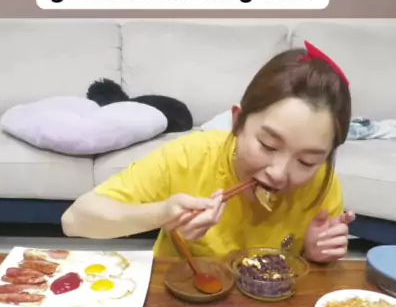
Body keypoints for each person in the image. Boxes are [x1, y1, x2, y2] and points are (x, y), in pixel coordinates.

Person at [62, 42, 355, 262]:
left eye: (306, 161)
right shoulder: (190, 157)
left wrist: (314, 253)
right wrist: (162, 213)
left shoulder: (323, 183)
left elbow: (305, 281)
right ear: (237, 122)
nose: (279, 173)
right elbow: (74, 220)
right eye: (267, 145)